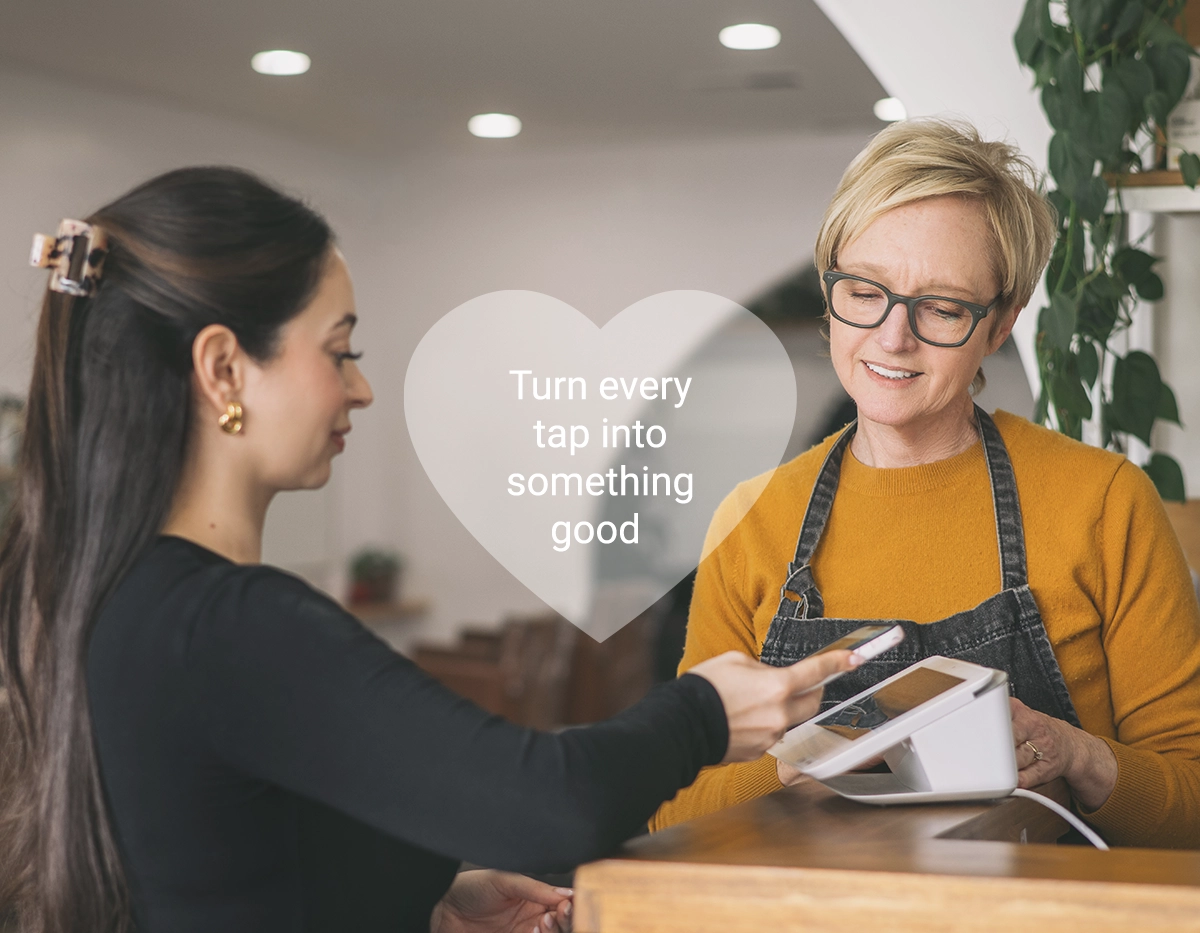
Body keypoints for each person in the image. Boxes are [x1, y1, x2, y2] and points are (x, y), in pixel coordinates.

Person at [0, 168, 861, 933]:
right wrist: (706, 712)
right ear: (224, 369)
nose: (361, 387)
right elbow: (551, 800)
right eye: (340, 350)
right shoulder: (228, 622)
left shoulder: (109, 598)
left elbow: (225, 862)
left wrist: (424, 898)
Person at [650, 118, 1200, 849]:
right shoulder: (752, 518)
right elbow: (677, 806)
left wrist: (1079, 754)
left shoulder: (1102, 501)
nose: (892, 336)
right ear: (830, 285)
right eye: (866, 290)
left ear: (1000, 323)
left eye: (941, 307)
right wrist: (808, 759)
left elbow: (1192, 799)